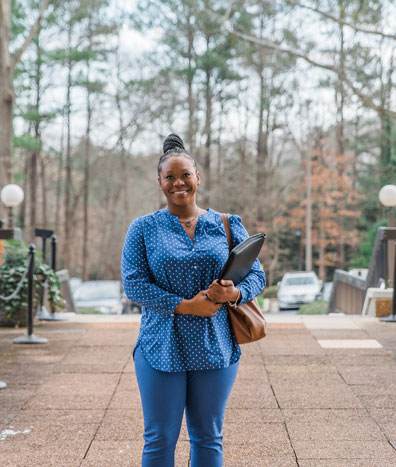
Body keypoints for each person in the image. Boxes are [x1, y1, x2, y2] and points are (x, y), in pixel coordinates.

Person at [121, 133, 265, 467]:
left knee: (208, 438)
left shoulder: (227, 224)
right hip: (160, 346)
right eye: (169, 177)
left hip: (215, 345)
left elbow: (257, 275)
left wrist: (234, 293)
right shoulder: (143, 229)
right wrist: (186, 305)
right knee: (159, 439)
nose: (178, 182)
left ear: (198, 177)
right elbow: (134, 285)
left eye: (185, 174)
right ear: (159, 182)